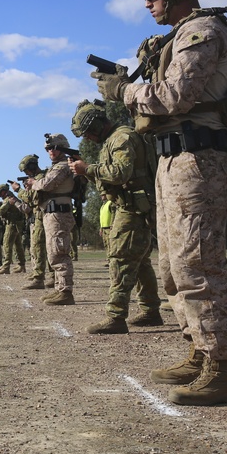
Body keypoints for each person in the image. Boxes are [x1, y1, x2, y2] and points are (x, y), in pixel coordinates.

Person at [92, 0, 227, 405]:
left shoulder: (202, 32)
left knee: (198, 263)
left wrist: (123, 90)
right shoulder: (179, 35)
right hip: (175, 160)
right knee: (173, 267)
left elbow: (173, 95)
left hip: (200, 160)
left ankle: (220, 369)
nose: (147, 3)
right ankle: (198, 349)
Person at [69, 99, 162, 334]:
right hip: (132, 207)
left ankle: (116, 316)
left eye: (88, 133)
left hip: (132, 209)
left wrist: (88, 169)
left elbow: (121, 173)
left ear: (98, 124)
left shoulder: (121, 138)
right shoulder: (113, 139)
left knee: (120, 259)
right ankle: (151, 311)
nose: (87, 138)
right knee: (140, 262)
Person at [24, 134, 76, 305]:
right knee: (54, 253)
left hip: (59, 214)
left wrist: (33, 183)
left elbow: (47, 184)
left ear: (62, 147)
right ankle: (59, 289)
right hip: (52, 213)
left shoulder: (63, 166)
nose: (50, 151)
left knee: (59, 253)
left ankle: (65, 292)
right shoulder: (57, 166)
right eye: (48, 149)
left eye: (53, 148)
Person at [12, 154, 50, 290]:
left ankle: (39, 278)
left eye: (26, 170)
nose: (26, 173)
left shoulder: (40, 179)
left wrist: (19, 190)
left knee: (39, 246)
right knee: (43, 247)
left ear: (32, 167)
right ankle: (51, 276)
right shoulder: (39, 178)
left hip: (41, 214)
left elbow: (30, 198)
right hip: (39, 215)